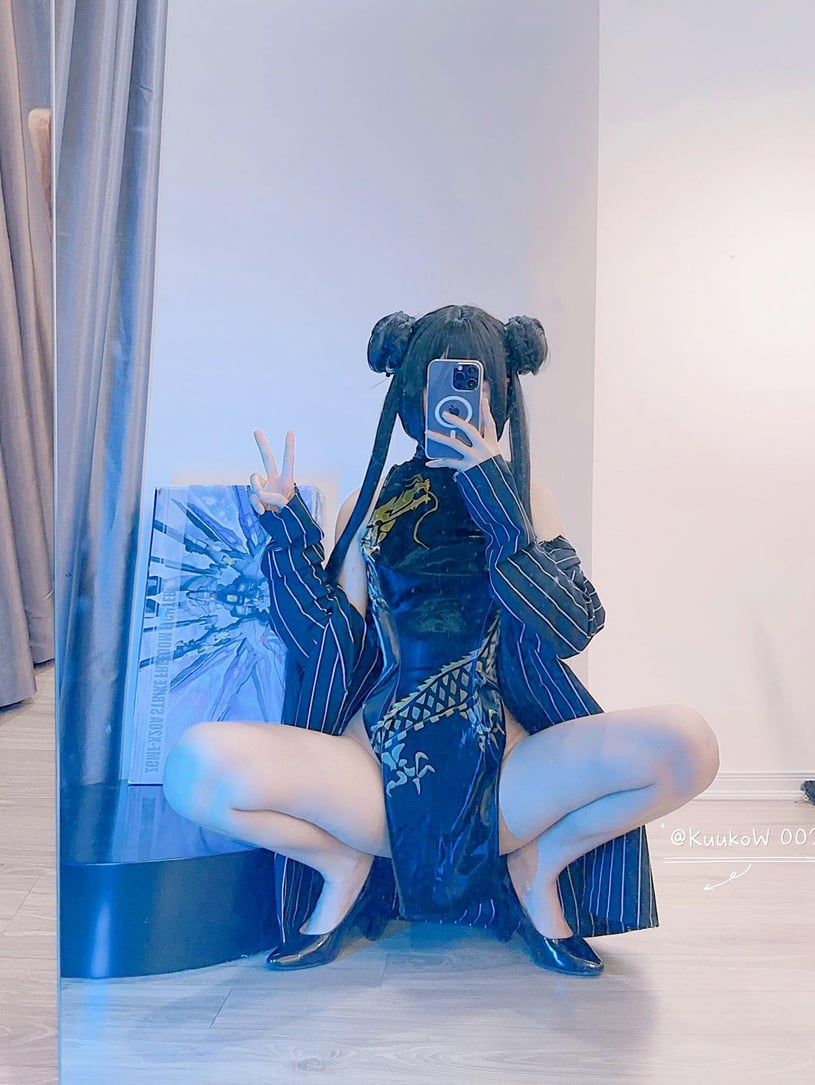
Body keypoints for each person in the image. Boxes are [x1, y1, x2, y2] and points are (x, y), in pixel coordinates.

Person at [163, 304, 720, 976]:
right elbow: (331, 643)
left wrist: (493, 492)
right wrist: (286, 534)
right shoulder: (372, 503)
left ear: (501, 391)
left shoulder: (527, 497)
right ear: (410, 391)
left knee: (689, 743)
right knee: (193, 767)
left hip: (509, 779)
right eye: (438, 380)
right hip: (375, 776)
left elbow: (569, 629)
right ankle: (340, 864)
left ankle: (540, 867)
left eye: (473, 382)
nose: (455, 402)